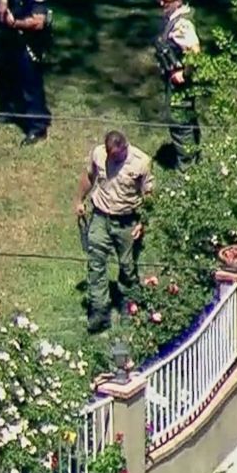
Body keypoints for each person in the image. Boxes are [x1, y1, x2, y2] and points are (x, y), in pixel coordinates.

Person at [74, 130, 155, 334]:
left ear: (125, 148)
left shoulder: (141, 162)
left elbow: (149, 195)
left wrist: (142, 222)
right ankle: (100, 312)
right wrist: (79, 200)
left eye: (117, 156)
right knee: (96, 263)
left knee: (127, 267)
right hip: (101, 216)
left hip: (127, 220)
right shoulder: (99, 154)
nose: (113, 160)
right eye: (111, 156)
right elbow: (89, 176)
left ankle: (129, 306)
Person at [0, 0, 54, 146]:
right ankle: (11, 112)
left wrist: (15, 23)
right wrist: (2, 0)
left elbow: (39, 21)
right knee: (9, 77)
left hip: (30, 42)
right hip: (12, 39)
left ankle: (37, 128)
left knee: (30, 84)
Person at [153, 0, 202, 172]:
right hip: (177, 80)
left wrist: (184, 73)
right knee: (186, 117)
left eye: (165, 2)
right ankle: (193, 156)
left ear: (178, 2)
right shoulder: (177, 18)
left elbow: (195, 53)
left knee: (179, 121)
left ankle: (187, 170)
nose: (161, 4)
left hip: (180, 84)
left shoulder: (182, 24)